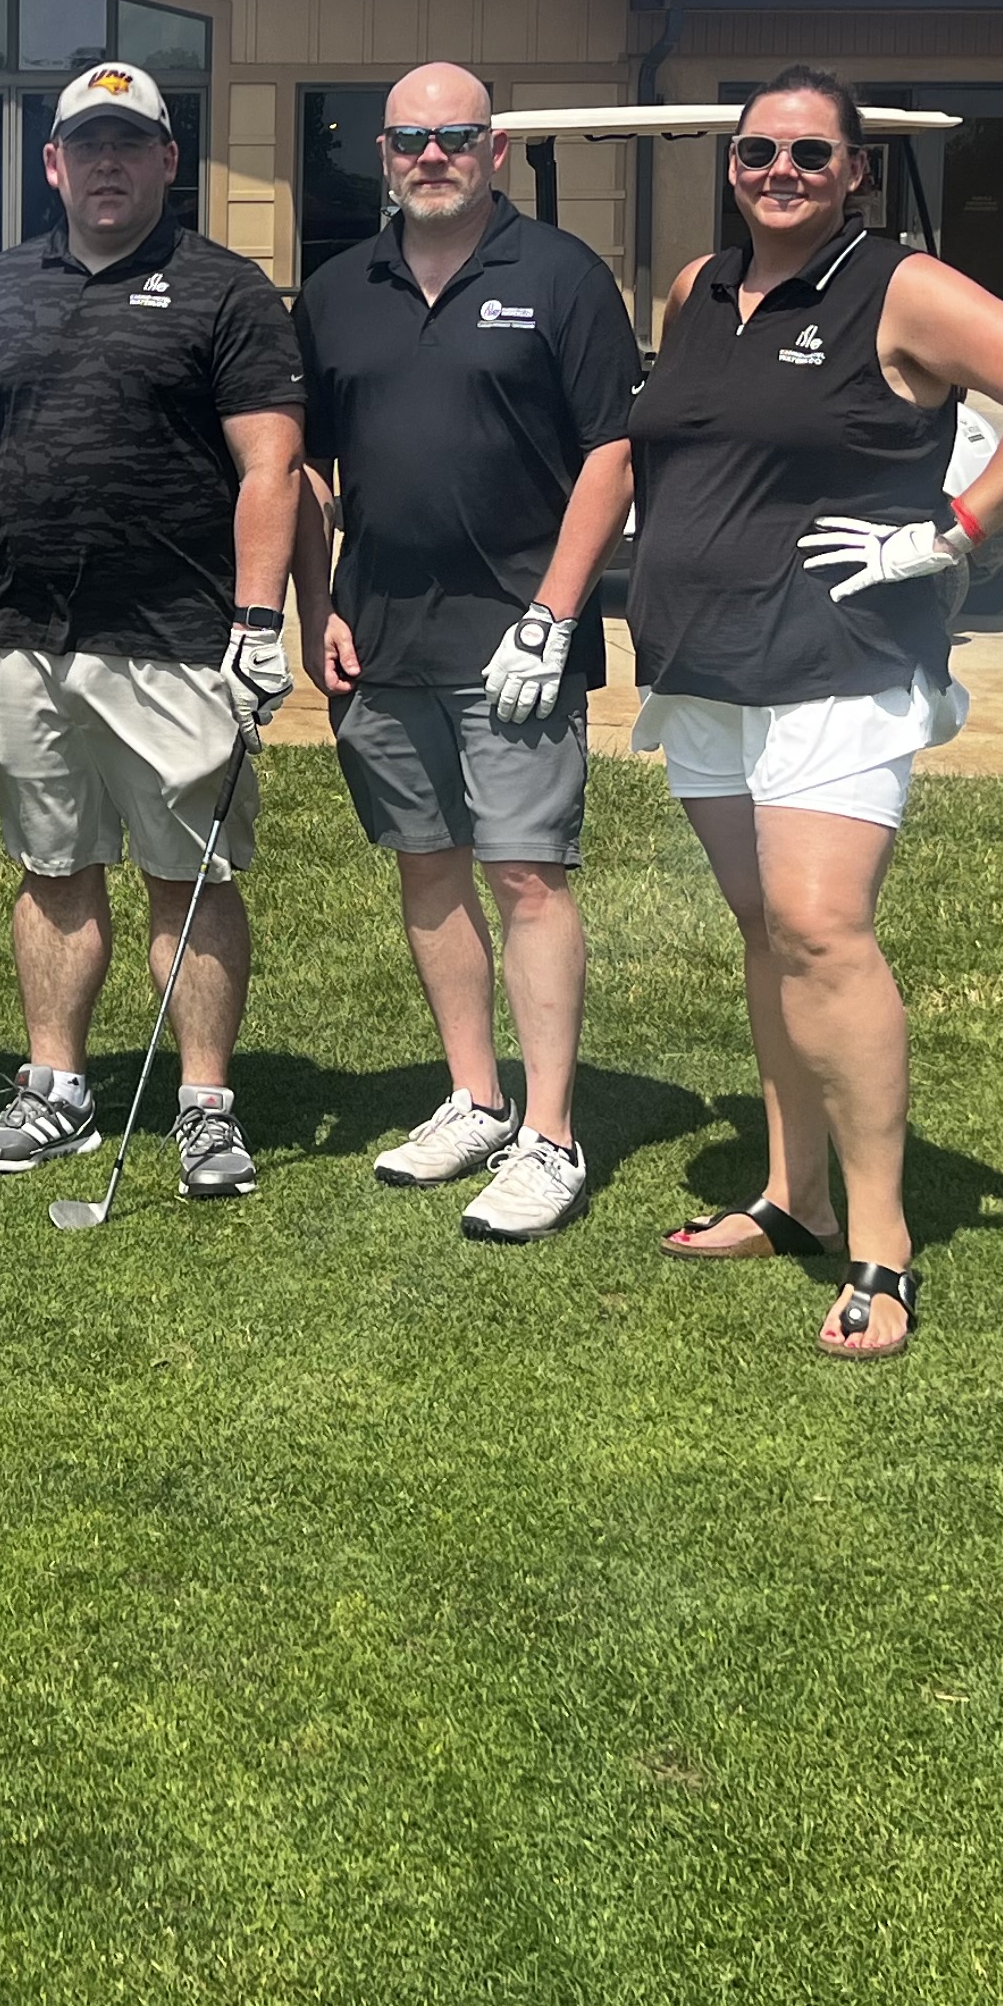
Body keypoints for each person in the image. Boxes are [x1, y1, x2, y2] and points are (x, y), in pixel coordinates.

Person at [633, 64, 1003, 1358]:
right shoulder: (694, 290)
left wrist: (953, 531)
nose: (778, 173)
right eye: (755, 154)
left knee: (821, 928)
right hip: (704, 658)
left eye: (806, 155)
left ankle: (881, 1243)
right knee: (762, 928)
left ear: (852, 170)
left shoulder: (898, 287)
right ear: (728, 166)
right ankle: (788, 1195)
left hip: (841, 655)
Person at [290, 61, 640, 1243]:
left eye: (454, 136)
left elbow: (613, 452)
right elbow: (314, 470)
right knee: (427, 866)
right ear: (381, 154)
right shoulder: (341, 287)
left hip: (516, 642)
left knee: (527, 873)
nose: (429, 155)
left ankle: (551, 1134)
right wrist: (322, 602)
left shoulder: (561, 275)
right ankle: (476, 1099)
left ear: (493, 150)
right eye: (407, 138)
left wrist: (554, 611)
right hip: (383, 636)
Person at [0, 60, 303, 1198]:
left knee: (185, 872)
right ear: (51, 164)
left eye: (128, 143)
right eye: (84, 145)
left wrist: (256, 619)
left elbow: (271, 464)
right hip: (30, 636)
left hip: (176, 636)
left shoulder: (226, 290)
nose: (105, 163)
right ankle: (56, 1090)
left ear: (166, 161)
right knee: (54, 867)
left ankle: (203, 1106)